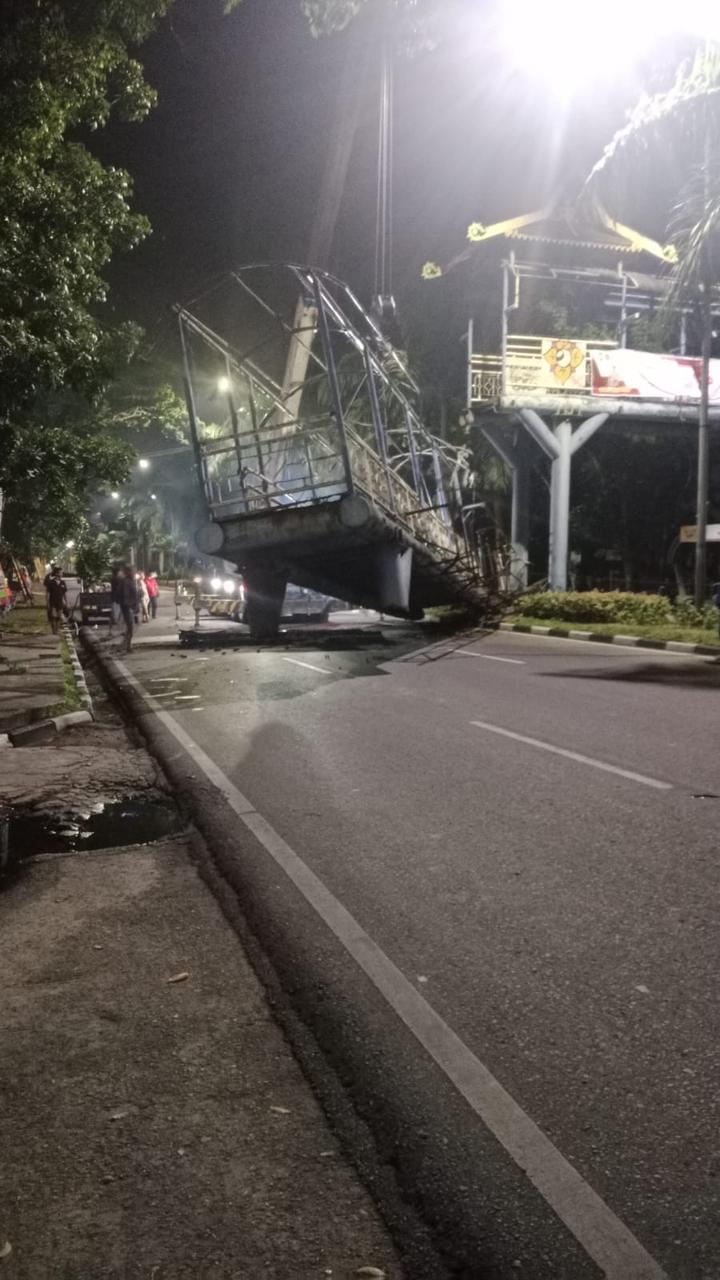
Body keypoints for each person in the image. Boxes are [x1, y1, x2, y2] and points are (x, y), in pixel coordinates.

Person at [118, 567, 138, 653]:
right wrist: (130, 606)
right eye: (133, 572)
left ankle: (126, 646)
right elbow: (125, 595)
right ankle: (126, 647)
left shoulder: (129, 581)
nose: (134, 574)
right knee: (131, 627)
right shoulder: (126, 582)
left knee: (131, 627)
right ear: (128, 572)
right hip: (128, 607)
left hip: (130, 607)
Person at [45, 565, 67, 634]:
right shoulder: (51, 582)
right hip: (53, 602)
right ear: (57, 573)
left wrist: (65, 601)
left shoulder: (63, 583)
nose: (62, 574)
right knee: (53, 616)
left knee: (59, 617)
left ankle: (57, 630)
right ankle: (53, 630)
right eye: (61, 572)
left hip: (60, 602)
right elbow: (48, 593)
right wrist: (47, 602)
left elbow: (64, 593)